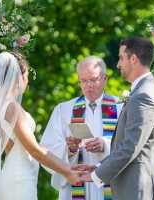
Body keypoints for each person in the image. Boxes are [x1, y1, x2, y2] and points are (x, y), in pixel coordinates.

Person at [0, 52, 84, 200]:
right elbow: (33, 149)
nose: (27, 82)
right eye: (26, 78)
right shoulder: (12, 108)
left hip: (17, 174)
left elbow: (32, 146)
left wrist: (67, 166)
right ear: (19, 78)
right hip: (19, 179)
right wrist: (66, 172)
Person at [80, 37, 154, 200]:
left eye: (121, 58)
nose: (118, 64)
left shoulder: (144, 96)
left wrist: (95, 176)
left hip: (138, 190)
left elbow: (130, 147)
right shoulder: (147, 90)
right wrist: (99, 166)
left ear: (133, 58)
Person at [40, 55, 123, 200]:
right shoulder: (64, 110)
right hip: (74, 186)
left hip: (111, 186)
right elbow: (47, 149)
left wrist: (106, 145)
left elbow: (131, 144)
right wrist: (70, 149)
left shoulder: (121, 107)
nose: (88, 85)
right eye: (83, 81)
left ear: (105, 78)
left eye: (93, 79)